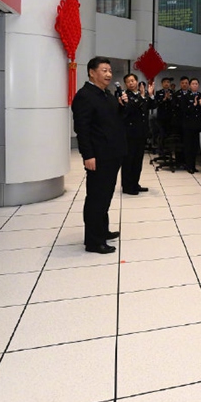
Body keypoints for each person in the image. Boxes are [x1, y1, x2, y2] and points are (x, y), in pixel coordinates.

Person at [71, 57, 127, 254]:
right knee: (96, 197)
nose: (109, 74)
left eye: (110, 70)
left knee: (106, 195)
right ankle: (94, 241)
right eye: (104, 70)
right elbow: (82, 129)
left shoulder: (107, 94)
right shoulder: (85, 96)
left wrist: (122, 105)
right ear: (92, 72)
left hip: (112, 154)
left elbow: (115, 121)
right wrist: (88, 155)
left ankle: (102, 230)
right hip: (99, 155)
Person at [120, 73, 154, 195]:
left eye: (133, 80)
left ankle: (135, 183)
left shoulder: (141, 95)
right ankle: (127, 186)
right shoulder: (124, 95)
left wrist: (150, 95)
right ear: (125, 84)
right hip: (130, 133)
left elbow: (152, 105)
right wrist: (142, 97)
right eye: (128, 81)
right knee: (128, 160)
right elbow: (130, 108)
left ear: (137, 81)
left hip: (141, 133)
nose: (131, 83)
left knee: (138, 160)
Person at [179, 77, 201, 173]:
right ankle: (189, 166)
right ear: (190, 86)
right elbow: (184, 110)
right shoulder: (185, 96)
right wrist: (194, 105)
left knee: (195, 146)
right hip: (188, 124)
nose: (195, 85)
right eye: (193, 84)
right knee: (188, 146)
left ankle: (194, 165)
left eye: (196, 84)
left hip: (197, 124)